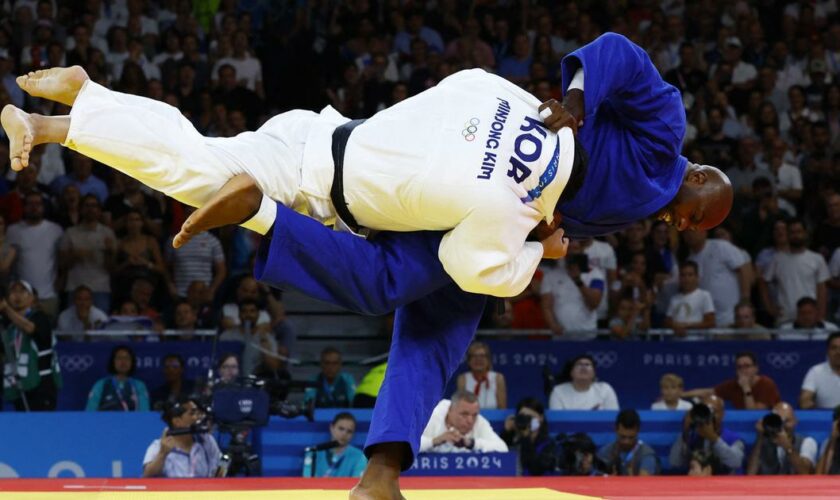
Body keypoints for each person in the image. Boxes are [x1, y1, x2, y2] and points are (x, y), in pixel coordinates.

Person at [4, 34, 735, 296]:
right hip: (329, 188)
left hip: (326, 130)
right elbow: (476, 265)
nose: (678, 224)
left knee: (196, 154)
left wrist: (566, 109)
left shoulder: (494, 93)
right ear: (697, 193)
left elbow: (587, 81)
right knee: (382, 284)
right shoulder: (511, 207)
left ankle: (71, 111)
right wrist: (537, 244)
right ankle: (256, 211)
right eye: (691, 219)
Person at [0, 280, 61, 410]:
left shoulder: (40, 317)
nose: (17, 295)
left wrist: (7, 309)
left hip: (41, 386)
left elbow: (29, 328)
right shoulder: (8, 326)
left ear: (33, 299)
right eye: (13, 291)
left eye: (22, 291)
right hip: (20, 386)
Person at [142, 397, 222, 478]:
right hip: (174, 490)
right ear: (177, 421)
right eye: (192, 414)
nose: (197, 417)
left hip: (204, 489)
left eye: (198, 413)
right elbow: (147, 476)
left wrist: (225, 463)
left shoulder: (207, 440)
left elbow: (220, 469)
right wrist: (162, 454)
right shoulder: (158, 446)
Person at [669, 395, 745, 475]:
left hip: (726, 483)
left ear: (723, 414)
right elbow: (674, 462)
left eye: (713, 411)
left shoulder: (733, 439)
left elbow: (736, 462)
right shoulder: (691, 436)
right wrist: (686, 431)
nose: (709, 415)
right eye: (705, 411)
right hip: (696, 483)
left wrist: (713, 438)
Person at [682, 351, 781, 410]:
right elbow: (707, 392)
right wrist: (680, 395)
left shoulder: (767, 384)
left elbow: (753, 414)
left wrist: (746, 389)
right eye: (739, 367)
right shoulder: (733, 384)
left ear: (756, 368)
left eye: (747, 366)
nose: (743, 370)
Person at [419, 390, 508, 453]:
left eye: (474, 415)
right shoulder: (431, 415)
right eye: (464, 414)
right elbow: (407, 445)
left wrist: (472, 443)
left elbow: (502, 448)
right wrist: (434, 441)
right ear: (450, 410)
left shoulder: (479, 421)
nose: (470, 420)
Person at [746, 402, 817, 475]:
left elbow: (805, 473)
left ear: (795, 422)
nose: (782, 426)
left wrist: (788, 447)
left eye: (787, 421)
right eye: (779, 421)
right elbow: (750, 474)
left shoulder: (807, 442)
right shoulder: (764, 443)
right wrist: (760, 438)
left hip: (795, 485)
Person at [500, 397, 556, 476]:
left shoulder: (548, 444)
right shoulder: (513, 440)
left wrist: (526, 438)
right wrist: (506, 433)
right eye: (523, 417)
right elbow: (500, 461)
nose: (526, 421)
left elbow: (536, 470)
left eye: (530, 417)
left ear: (541, 418)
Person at [85, 344, 150, 411]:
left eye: (127, 358)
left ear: (132, 362)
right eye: (119, 358)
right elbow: (90, 411)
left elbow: (144, 412)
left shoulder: (139, 385)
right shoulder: (101, 384)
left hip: (132, 421)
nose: (123, 361)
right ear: (113, 361)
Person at [302, 412, 368, 478]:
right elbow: (307, 479)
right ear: (331, 428)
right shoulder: (314, 452)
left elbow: (356, 483)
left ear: (353, 435)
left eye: (349, 431)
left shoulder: (360, 457)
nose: (344, 434)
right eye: (341, 428)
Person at [597, 409, 660, 476]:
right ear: (616, 429)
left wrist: (631, 476)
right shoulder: (605, 452)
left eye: (631, 437)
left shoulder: (646, 455)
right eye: (623, 437)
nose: (626, 442)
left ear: (638, 431)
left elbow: (644, 485)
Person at [663, 261, 716, 339]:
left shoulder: (704, 295)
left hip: (697, 345)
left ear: (697, 277)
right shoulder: (674, 298)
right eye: (683, 275)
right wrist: (675, 326)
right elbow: (667, 321)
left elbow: (710, 322)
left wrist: (688, 326)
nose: (686, 278)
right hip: (676, 346)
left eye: (690, 275)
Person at [548, 354, 619, 410]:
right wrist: (590, 414)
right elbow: (558, 421)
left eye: (587, 365)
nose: (583, 367)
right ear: (571, 373)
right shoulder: (558, 391)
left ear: (594, 373)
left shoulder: (605, 389)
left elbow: (614, 417)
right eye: (579, 364)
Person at [455, 341, 507, 409]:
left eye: (482, 356)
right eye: (474, 356)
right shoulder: (463, 379)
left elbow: (502, 408)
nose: (478, 359)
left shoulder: (498, 378)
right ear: (469, 361)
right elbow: (461, 407)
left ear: (488, 360)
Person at [800, 332, 840, 409]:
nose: (838, 352)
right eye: (834, 348)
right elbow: (804, 401)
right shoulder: (816, 372)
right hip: (826, 419)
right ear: (827, 351)